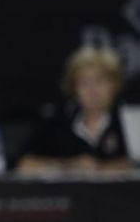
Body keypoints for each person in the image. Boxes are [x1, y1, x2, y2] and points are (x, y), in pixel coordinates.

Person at [16, 46, 130, 174]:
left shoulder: (131, 122)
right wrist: (69, 166)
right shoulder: (59, 122)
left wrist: (99, 169)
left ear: (115, 85)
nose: (93, 91)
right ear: (74, 89)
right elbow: (24, 165)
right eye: (84, 83)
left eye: (100, 81)